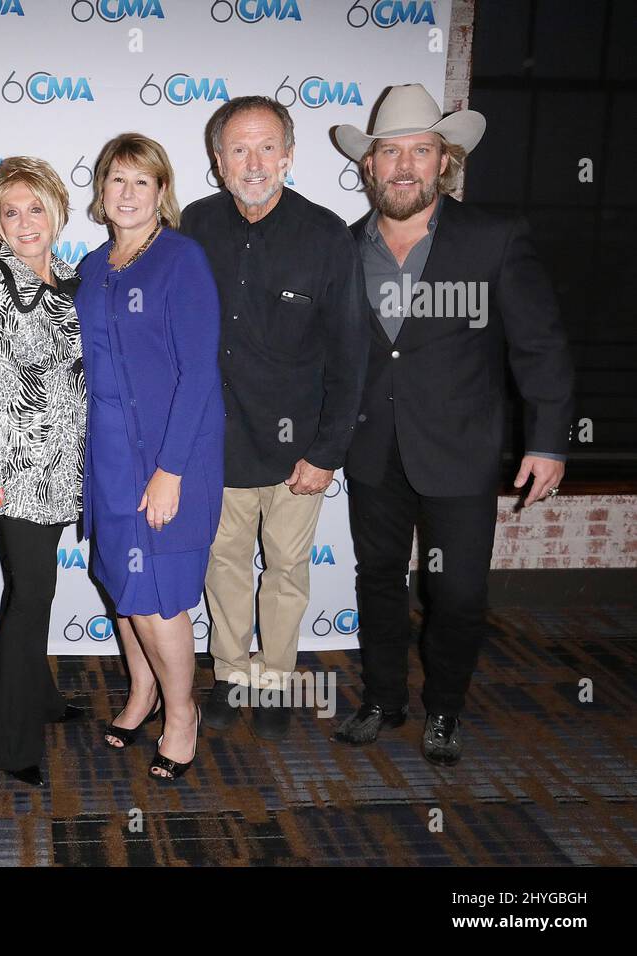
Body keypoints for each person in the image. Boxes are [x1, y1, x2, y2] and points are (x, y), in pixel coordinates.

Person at [331, 84, 573, 765]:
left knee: (458, 593)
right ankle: (383, 698)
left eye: (421, 150)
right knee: (377, 578)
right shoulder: (341, 249)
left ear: (444, 162)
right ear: (370, 166)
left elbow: (540, 345)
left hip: (461, 451)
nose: (404, 165)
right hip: (372, 449)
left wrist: (549, 440)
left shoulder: (494, 238)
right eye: (390, 152)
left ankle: (445, 708)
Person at [180, 96, 370, 741]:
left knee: (286, 570)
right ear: (218, 161)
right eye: (238, 149)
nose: (253, 162)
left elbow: (352, 352)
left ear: (288, 156)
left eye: (266, 148)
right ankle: (232, 673)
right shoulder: (193, 227)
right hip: (217, 442)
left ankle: (276, 677)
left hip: (298, 452)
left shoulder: (327, 237)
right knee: (223, 564)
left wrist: (327, 451)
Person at [75, 133, 224, 782]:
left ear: (163, 193)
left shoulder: (182, 259)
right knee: (122, 587)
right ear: (101, 192)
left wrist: (171, 472)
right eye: (117, 180)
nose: (128, 193)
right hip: (105, 458)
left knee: (160, 600)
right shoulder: (90, 265)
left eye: (143, 181)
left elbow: (198, 374)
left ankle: (183, 715)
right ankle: (142, 694)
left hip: (168, 456)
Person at [0, 157, 87, 787]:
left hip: (66, 466)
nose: (23, 222)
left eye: (34, 208)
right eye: (9, 212)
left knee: (34, 592)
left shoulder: (70, 280)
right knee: (30, 596)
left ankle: (34, 697)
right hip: (14, 471)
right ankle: (9, 741)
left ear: (56, 211)